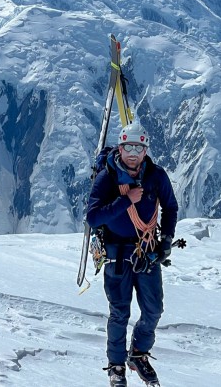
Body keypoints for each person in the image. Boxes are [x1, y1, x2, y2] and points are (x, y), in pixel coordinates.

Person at [86, 122, 179, 387]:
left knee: (153, 309)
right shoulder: (107, 178)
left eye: (138, 148)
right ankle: (116, 366)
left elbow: (170, 207)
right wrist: (127, 200)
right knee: (119, 312)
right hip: (116, 253)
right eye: (128, 147)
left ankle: (138, 354)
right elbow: (93, 217)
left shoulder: (156, 176)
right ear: (120, 148)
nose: (133, 154)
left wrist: (166, 239)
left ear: (145, 150)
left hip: (146, 251)